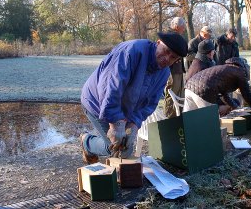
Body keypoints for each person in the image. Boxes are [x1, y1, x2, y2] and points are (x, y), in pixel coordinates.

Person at [80, 32, 188, 163]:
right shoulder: (131, 51)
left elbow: (150, 104)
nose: (166, 58)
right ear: (158, 42)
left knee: (125, 150)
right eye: (166, 51)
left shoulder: (164, 73)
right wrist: (116, 125)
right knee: (114, 148)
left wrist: (134, 125)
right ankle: (87, 142)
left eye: (172, 57)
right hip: (95, 101)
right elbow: (110, 88)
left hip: (122, 108)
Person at [183, 57, 251, 117]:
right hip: (203, 90)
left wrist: (235, 107)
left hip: (189, 87)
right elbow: (246, 94)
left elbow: (224, 95)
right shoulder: (240, 72)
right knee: (211, 120)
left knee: (188, 118)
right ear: (246, 72)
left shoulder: (226, 69)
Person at [164, 17, 187, 118]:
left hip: (179, 70)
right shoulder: (169, 36)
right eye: (183, 27)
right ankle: (169, 117)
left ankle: (179, 116)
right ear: (177, 27)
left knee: (180, 95)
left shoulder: (176, 36)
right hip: (171, 71)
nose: (184, 29)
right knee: (171, 95)